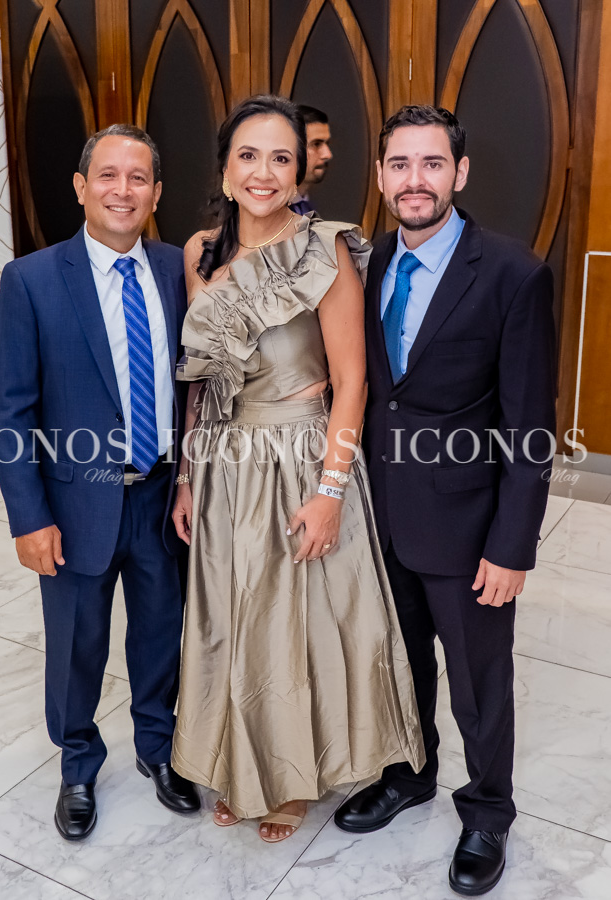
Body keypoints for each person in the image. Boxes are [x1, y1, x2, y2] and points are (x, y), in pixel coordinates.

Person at [170, 94, 424, 844]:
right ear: (224, 167)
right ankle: (241, 765)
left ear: (300, 169)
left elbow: (352, 380)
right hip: (223, 466)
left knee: (293, 627)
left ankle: (292, 779)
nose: (263, 172)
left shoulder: (325, 250)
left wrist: (330, 492)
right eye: (248, 155)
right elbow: (204, 377)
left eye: (281, 157)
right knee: (233, 620)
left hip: (299, 461)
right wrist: (187, 476)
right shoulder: (199, 252)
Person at [333, 105, 557, 896]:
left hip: (467, 527)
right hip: (381, 515)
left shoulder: (512, 274)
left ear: (459, 173)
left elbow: (530, 427)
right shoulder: (365, 265)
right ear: (380, 175)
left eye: (431, 164)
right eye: (399, 164)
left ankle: (487, 810)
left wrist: (510, 545)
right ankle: (409, 772)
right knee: (399, 664)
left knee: (477, 681)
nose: (414, 180)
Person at [0, 124, 199, 842]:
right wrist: (28, 517)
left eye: (138, 178)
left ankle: (158, 747)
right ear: (81, 187)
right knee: (77, 643)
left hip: (161, 495)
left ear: (157, 193)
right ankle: (78, 761)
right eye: (107, 175)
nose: (122, 190)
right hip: (74, 501)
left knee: (161, 632)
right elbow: (11, 412)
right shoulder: (32, 280)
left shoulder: (176, 270)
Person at [289, 104, 332, 215]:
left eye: (327, 143)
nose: (327, 155)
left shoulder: (310, 210)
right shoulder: (264, 212)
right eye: (316, 144)